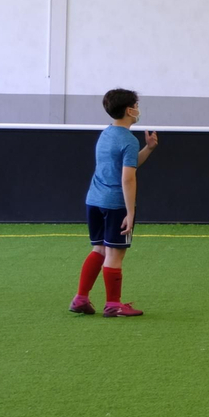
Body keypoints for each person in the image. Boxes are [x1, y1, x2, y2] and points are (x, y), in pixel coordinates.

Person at [69, 88, 158, 317]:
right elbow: (127, 177)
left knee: (98, 249)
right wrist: (130, 212)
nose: (139, 109)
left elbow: (126, 164)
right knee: (115, 254)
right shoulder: (127, 139)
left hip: (94, 201)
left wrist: (148, 148)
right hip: (116, 204)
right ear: (130, 110)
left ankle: (81, 298)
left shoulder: (106, 133)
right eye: (137, 105)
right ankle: (113, 304)